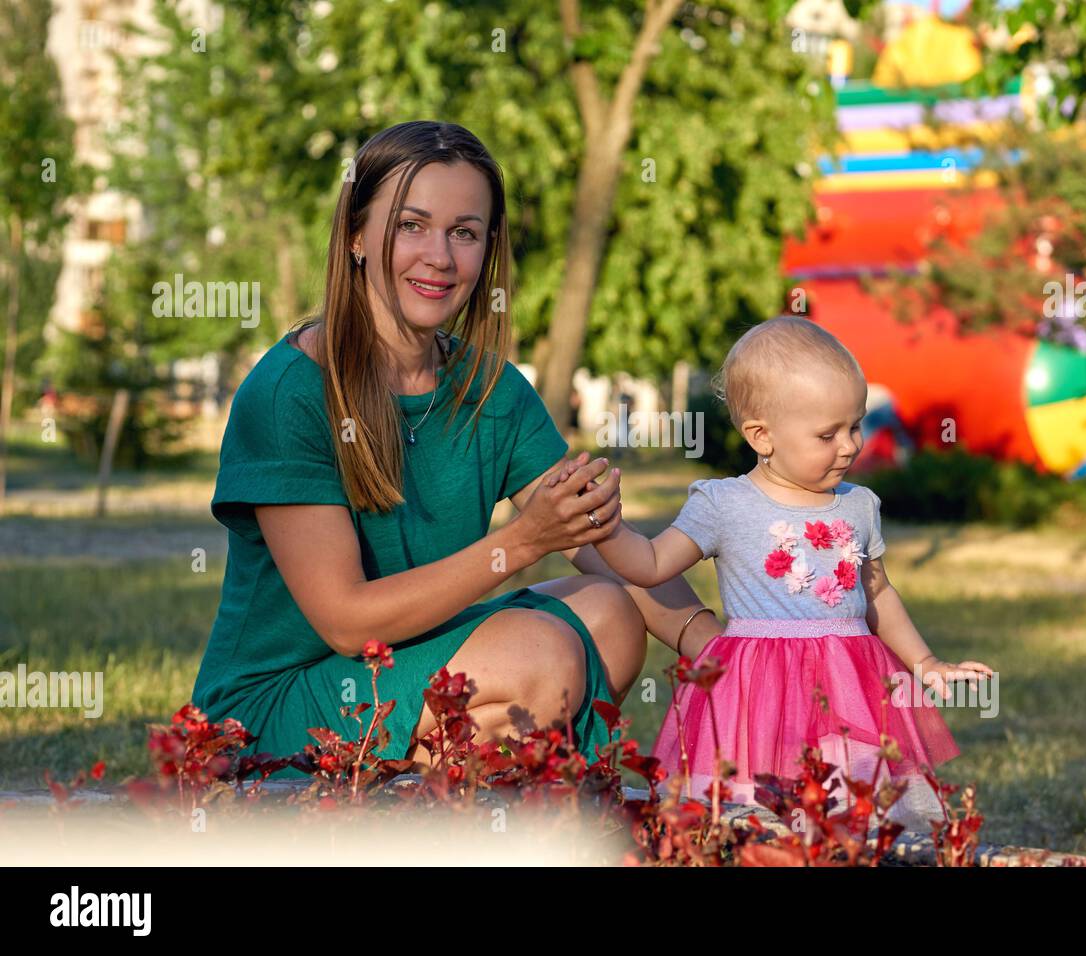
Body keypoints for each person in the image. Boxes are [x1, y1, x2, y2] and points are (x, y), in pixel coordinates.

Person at [192, 121, 723, 776]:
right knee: (544, 657)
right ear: (357, 235)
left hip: (407, 669)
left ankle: (431, 797)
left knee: (609, 614)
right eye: (411, 225)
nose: (439, 256)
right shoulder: (290, 394)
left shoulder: (487, 387)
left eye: (464, 232)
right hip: (275, 705)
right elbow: (344, 623)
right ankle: (411, 801)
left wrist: (715, 648)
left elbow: (605, 544)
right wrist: (523, 543)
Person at [569, 316, 994, 823]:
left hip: (851, 682)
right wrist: (607, 528)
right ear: (761, 436)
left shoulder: (858, 504)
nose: (850, 445)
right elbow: (652, 564)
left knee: (855, 810)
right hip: (756, 690)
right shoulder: (725, 503)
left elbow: (877, 592)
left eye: (855, 425)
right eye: (827, 434)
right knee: (754, 812)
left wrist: (923, 662)